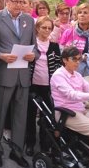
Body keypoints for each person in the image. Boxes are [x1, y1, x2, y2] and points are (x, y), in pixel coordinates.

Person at [0, 0, 37, 168]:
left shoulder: (29, 20)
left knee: (20, 116)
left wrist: (33, 55)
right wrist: (0, 56)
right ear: (7, 1)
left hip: (22, 75)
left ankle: (17, 151)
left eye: (22, 2)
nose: (19, 5)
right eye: (15, 1)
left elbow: (35, 47)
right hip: (3, 74)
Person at [25, 15, 62, 156]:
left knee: (47, 116)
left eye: (49, 28)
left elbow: (58, 66)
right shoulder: (32, 45)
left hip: (48, 86)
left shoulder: (54, 46)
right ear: (37, 28)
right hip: (33, 85)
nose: (46, 30)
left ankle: (45, 145)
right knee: (30, 115)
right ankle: (29, 143)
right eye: (43, 27)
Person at [59, 2, 89, 76]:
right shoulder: (68, 32)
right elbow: (60, 51)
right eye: (80, 12)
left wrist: (86, 57)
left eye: (85, 13)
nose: (82, 15)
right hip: (70, 74)